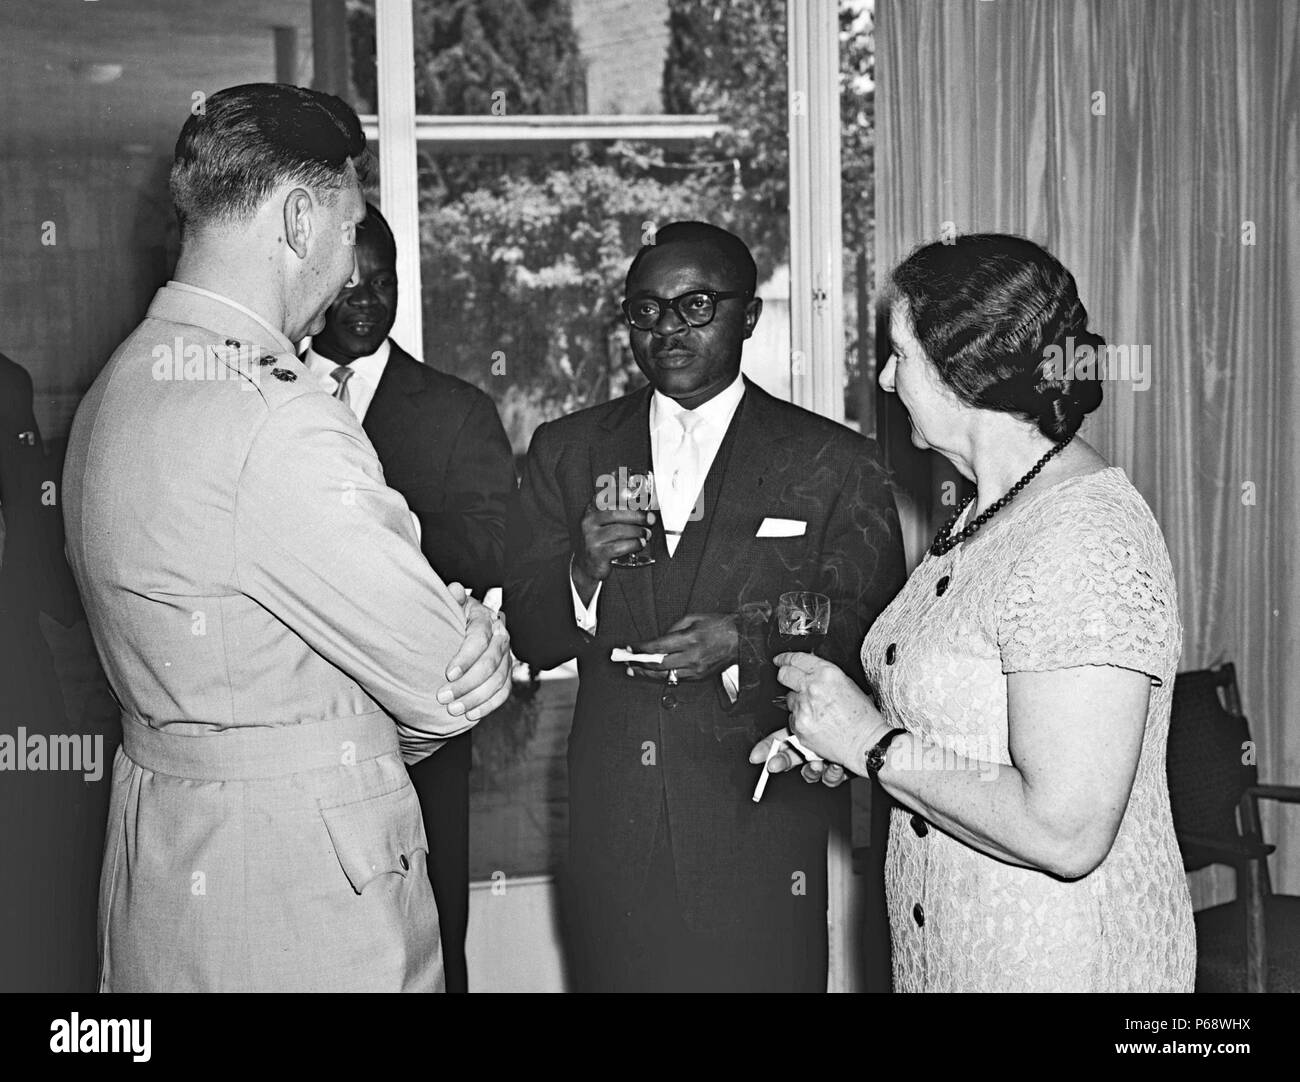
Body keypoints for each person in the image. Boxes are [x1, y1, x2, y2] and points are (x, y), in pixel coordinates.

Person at [61, 83, 512, 993]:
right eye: (351, 233)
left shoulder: (119, 385)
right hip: (301, 904)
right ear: (302, 219)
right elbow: (439, 686)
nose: (352, 272)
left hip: (165, 879)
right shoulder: (278, 417)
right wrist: (475, 639)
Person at [753, 233, 1196, 992]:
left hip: (1063, 965)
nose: (887, 383)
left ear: (965, 370)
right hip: (954, 958)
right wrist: (840, 734)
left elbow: (1066, 830)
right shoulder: (985, 511)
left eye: (900, 355)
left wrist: (872, 745)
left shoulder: (1080, 537)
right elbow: (965, 727)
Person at [505, 221, 906, 992]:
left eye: (695, 306)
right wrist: (580, 575)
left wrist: (746, 637)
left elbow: (869, 628)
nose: (667, 331)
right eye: (645, 311)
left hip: (758, 822)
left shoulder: (830, 459)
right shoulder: (569, 448)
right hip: (613, 823)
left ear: (748, 316)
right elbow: (530, 634)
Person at [303, 202, 517, 993]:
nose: (366, 302)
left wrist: (366, 549)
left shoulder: (458, 411)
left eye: (383, 284)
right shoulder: (266, 398)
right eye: (349, 284)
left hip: (418, 718)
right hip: (301, 721)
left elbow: (494, 542)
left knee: (425, 934)